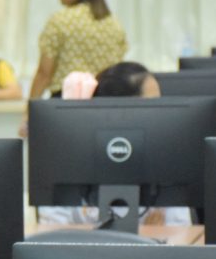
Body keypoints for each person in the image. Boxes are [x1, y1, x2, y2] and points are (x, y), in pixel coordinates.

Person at [37, 63, 191, 226]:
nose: (162, 112)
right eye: (153, 104)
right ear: (121, 110)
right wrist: (144, 234)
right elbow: (52, 230)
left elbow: (182, 230)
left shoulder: (166, 161)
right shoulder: (68, 161)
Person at [28, 0, 127, 100]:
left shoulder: (60, 20)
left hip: (66, 103)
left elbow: (44, 74)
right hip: (103, 102)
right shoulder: (114, 24)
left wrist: (30, 106)